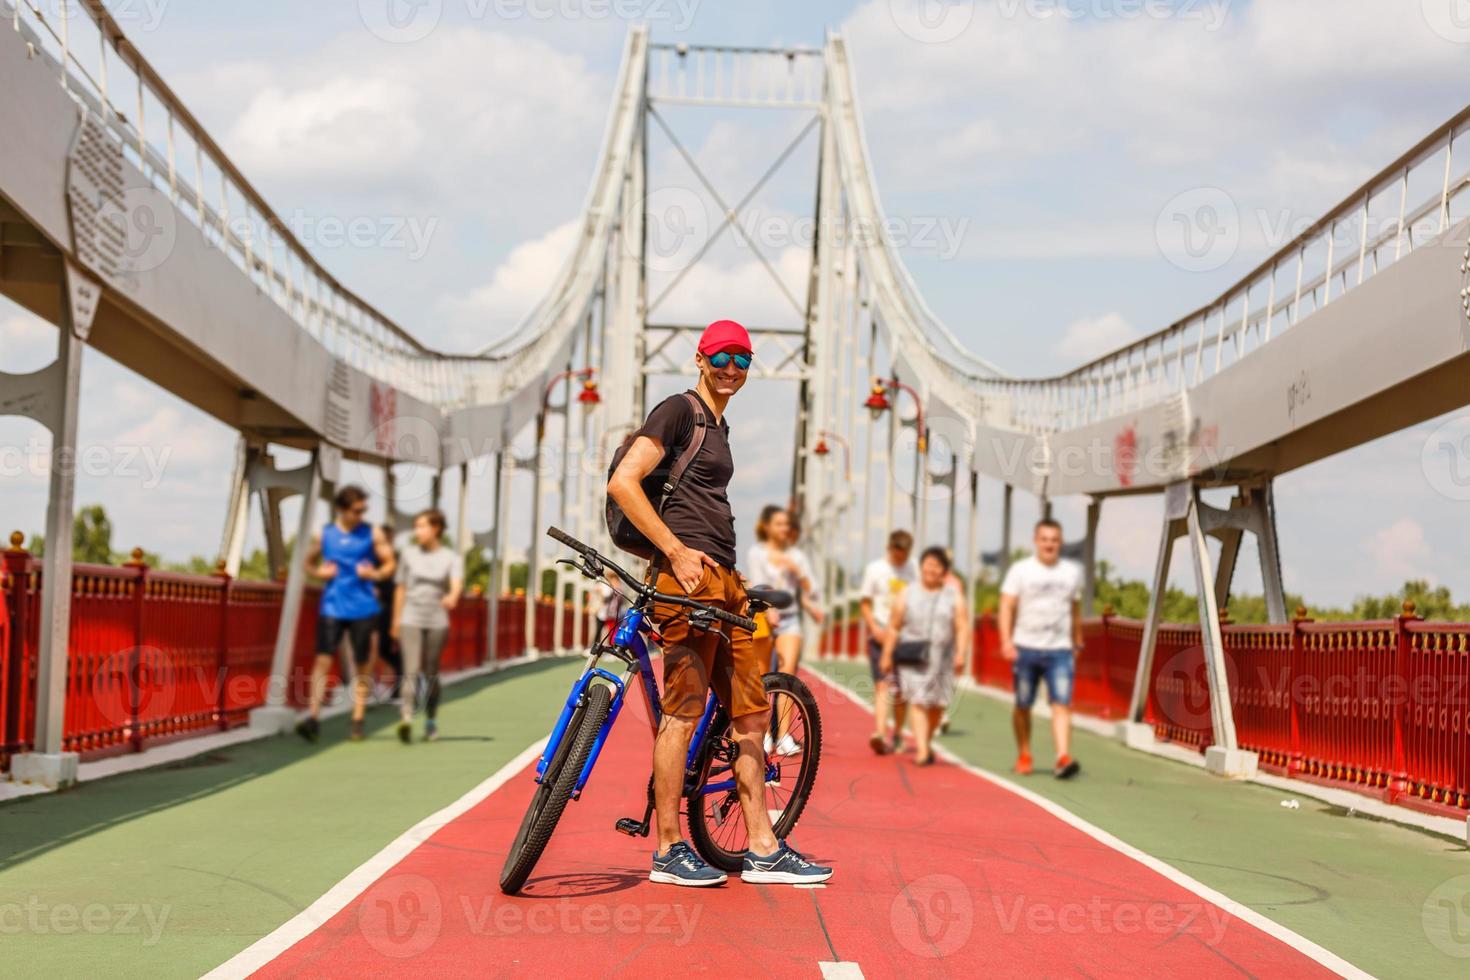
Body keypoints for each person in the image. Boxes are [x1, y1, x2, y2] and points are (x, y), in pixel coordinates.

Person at [608, 318, 831, 887]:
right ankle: (667, 850)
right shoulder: (677, 411)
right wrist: (677, 553)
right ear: (700, 359)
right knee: (683, 714)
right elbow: (624, 483)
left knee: (752, 717)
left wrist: (732, 575)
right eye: (723, 357)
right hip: (688, 581)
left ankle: (762, 847)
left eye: (744, 360)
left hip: (724, 581)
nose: (733, 369)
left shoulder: (720, 426)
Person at [297, 486, 396, 743]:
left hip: (363, 607)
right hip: (332, 605)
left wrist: (373, 575)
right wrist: (320, 574)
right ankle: (313, 717)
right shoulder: (326, 534)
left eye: (364, 510)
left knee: (362, 662)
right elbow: (306, 563)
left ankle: (358, 717)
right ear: (342, 510)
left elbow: (389, 564)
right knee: (323, 659)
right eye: (357, 510)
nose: (362, 514)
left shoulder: (372, 533)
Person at [1000, 518, 1084, 779]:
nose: (1049, 544)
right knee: (1023, 704)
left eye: (1054, 540)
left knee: (1062, 704)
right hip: (1026, 647)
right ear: (1036, 541)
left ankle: (1062, 757)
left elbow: (1075, 608)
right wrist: (1006, 640)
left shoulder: (1071, 572)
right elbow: (1006, 605)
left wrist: (1077, 640)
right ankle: (1024, 754)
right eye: (1045, 539)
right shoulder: (1021, 570)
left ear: (1060, 542)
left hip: (1060, 649)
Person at [880, 546, 968, 766]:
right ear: (921, 567)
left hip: (943, 658)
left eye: (937, 565)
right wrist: (887, 654)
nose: (932, 569)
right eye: (928, 564)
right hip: (913, 657)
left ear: (944, 571)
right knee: (918, 701)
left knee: (937, 706)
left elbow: (962, 625)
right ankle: (921, 750)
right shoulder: (907, 592)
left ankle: (926, 742)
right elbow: (894, 626)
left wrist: (961, 654)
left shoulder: (953, 595)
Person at [745, 505, 822, 755]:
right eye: (778, 524)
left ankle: (784, 735)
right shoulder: (757, 553)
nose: (783, 529)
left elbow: (810, 588)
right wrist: (768, 610)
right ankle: (765, 734)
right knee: (763, 676)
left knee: (787, 673)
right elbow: (758, 584)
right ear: (767, 527)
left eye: (786, 525)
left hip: (790, 620)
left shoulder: (796, 556)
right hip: (765, 617)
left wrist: (798, 571)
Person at [391, 508, 463, 743]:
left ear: (436, 529)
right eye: (416, 526)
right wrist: (395, 619)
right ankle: (406, 719)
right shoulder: (408, 554)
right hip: (410, 617)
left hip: (436, 620)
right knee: (410, 670)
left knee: (430, 672)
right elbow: (400, 587)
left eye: (422, 526)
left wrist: (452, 596)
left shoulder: (450, 558)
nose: (417, 531)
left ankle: (431, 719)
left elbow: (456, 583)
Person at [859, 530, 917, 754]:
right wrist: (874, 627)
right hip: (880, 632)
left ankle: (899, 733)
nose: (901, 559)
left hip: (907, 635)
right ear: (890, 549)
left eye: (904, 555)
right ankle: (881, 734)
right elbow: (865, 603)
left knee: (902, 690)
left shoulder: (914, 569)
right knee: (882, 684)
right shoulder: (875, 570)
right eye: (897, 554)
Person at [374, 523, 403, 702]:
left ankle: (399, 688)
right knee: (382, 648)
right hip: (378, 607)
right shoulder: (373, 558)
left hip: (394, 608)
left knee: (391, 647)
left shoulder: (398, 559)